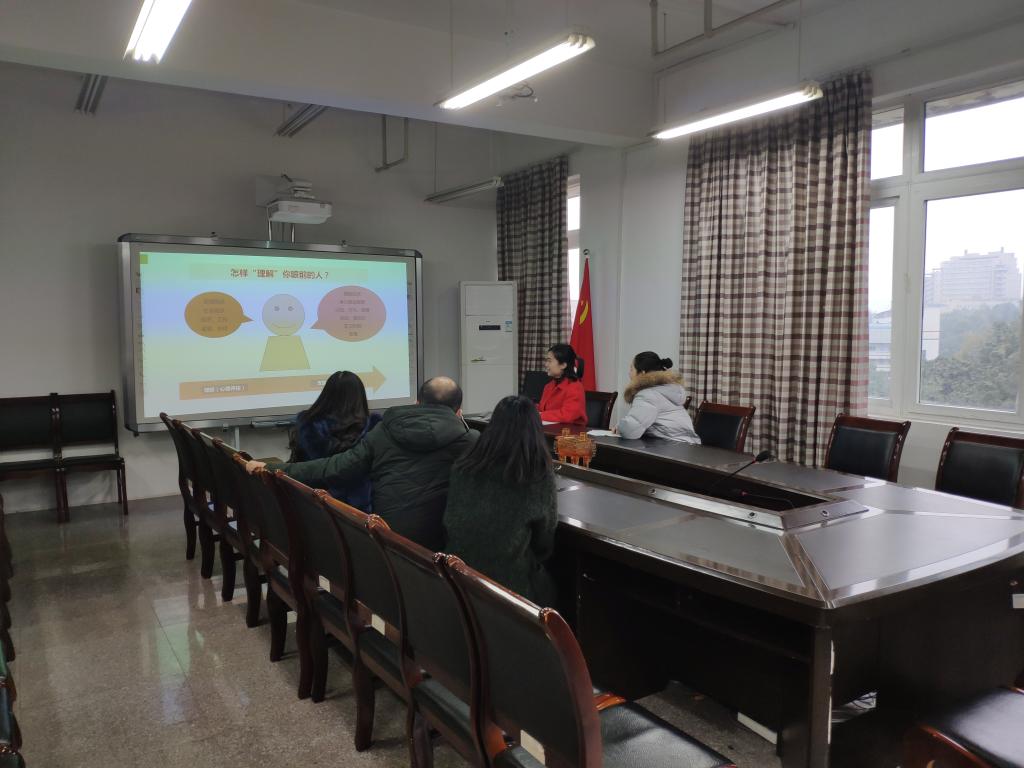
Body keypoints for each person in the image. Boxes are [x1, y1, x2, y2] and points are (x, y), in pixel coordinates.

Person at [247, 377, 477, 551]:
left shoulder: (384, 431)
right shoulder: (470, 441)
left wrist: (272, 467)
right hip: (442, 548)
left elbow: (335, 467)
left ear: (417, 403)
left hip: (387, 538)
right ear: (459, 412)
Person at [444, 395, 558, 606]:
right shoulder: (536, 474)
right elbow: (544, 544)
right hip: (511, 590)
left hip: (458, 579)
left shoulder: (464, 466)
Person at [288, 370, 381, 511]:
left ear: (326, 395)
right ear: (360, 397)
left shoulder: (308, 426)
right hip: (360, 513)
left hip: (313, 507)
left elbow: (297, 467)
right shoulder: (373, 429)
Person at [615, 352, 700, 443]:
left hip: (671, 446)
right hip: (687, 444)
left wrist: (619, 428)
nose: (629, 373)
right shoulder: (667, 390)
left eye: (631, 369)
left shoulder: (648, 395)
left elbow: (630, 431)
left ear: (642, 373)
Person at [537, 343, 587, 424]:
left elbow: (566, 415)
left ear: (563, 365)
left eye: (549, 361)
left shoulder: (575, 387)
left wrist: (539, 415)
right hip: (550, 429)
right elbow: (542, 408)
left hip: (570, 431)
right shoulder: (548, 386)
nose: (546, 364)